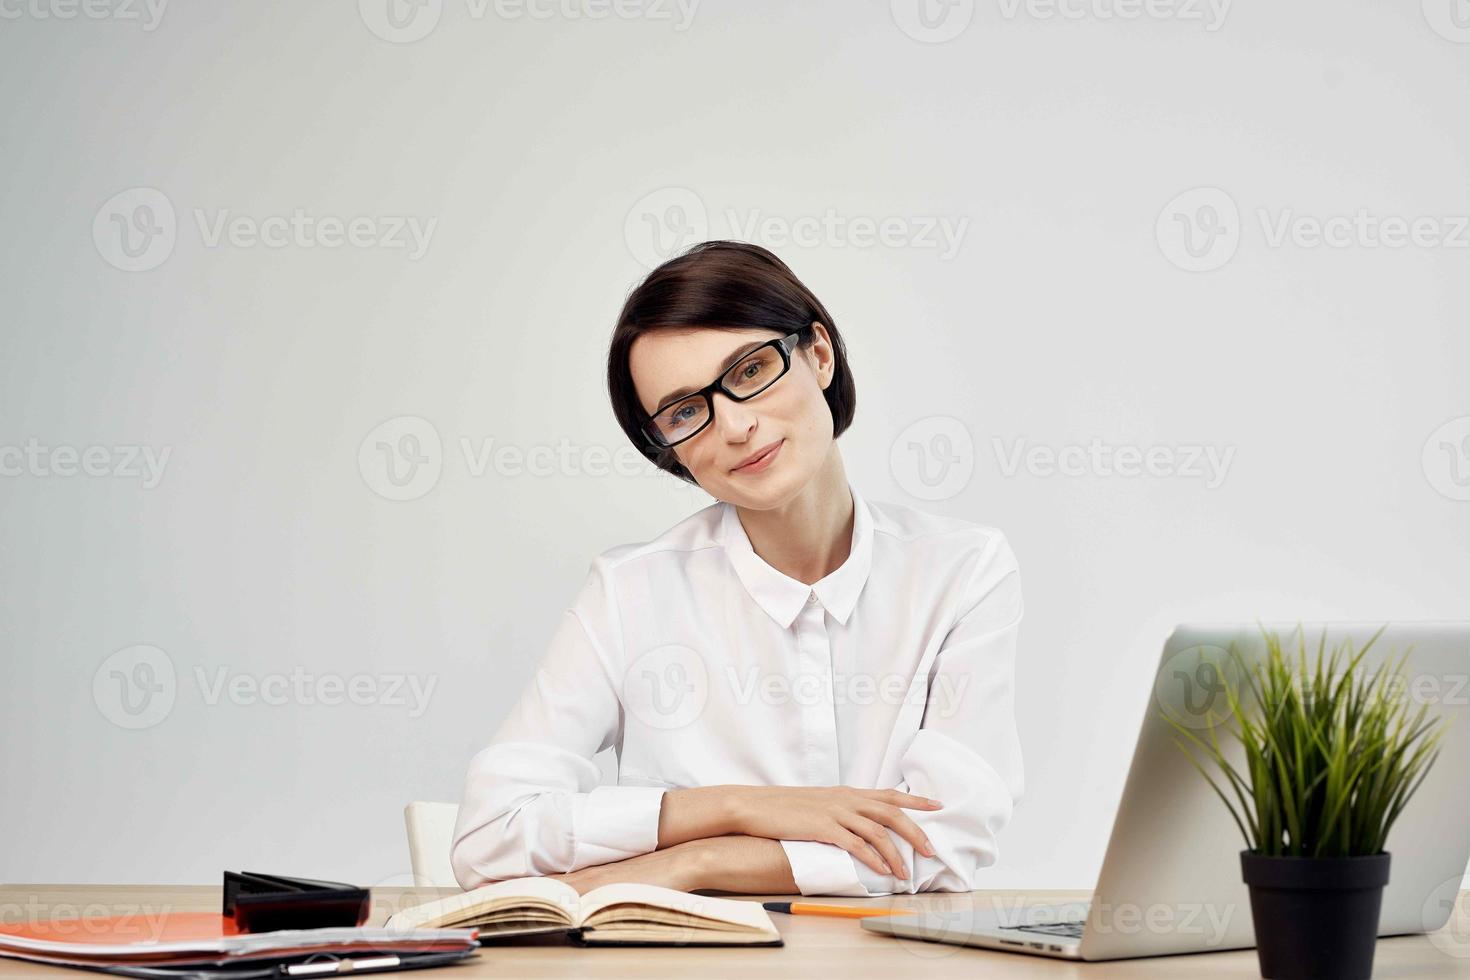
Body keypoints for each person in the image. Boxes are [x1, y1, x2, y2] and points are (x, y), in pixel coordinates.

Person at [450, 241, 1023, 897]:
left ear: (820, 354)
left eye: (749, 370)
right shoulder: (629, 593)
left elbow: (944, 840)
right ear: (670, 449)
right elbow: (487, 838)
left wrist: (698, 862)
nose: (736, 426)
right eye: (688, 411)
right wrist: (732, 807)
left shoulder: (961, 571)